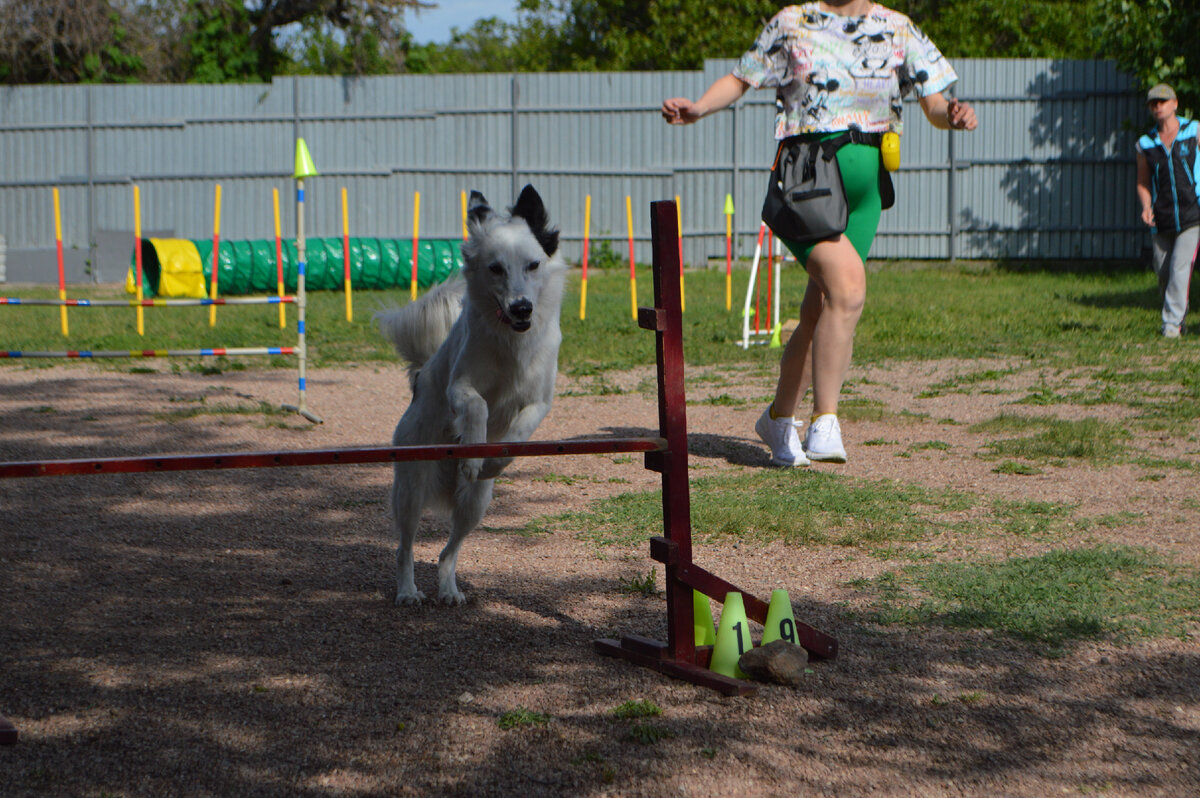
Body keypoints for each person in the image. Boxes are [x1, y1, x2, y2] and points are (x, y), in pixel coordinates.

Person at [662, 1, 977, 467]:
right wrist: (699, 109)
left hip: (867, 189)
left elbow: (932, 101)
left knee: (819, 310)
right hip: (807, 182)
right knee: (848, 292)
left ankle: (777, 418)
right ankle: (824, 420)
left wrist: (950, 113)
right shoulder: (792, 22)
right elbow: (742, 77)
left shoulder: (896, 26)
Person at [1135, 83, 1199, 339]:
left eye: (1163, 101)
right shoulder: (1145, 143)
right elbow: (1142, 182)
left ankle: (1171, 324)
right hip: (1161, 215)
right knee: (1163, 270)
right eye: (1154, 103)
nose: (1158, 106)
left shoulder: (1193, 131)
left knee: (1179, 266)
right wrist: (1146, 207)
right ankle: (1179, 313)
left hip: (1192, 213)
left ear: (1175, 103)